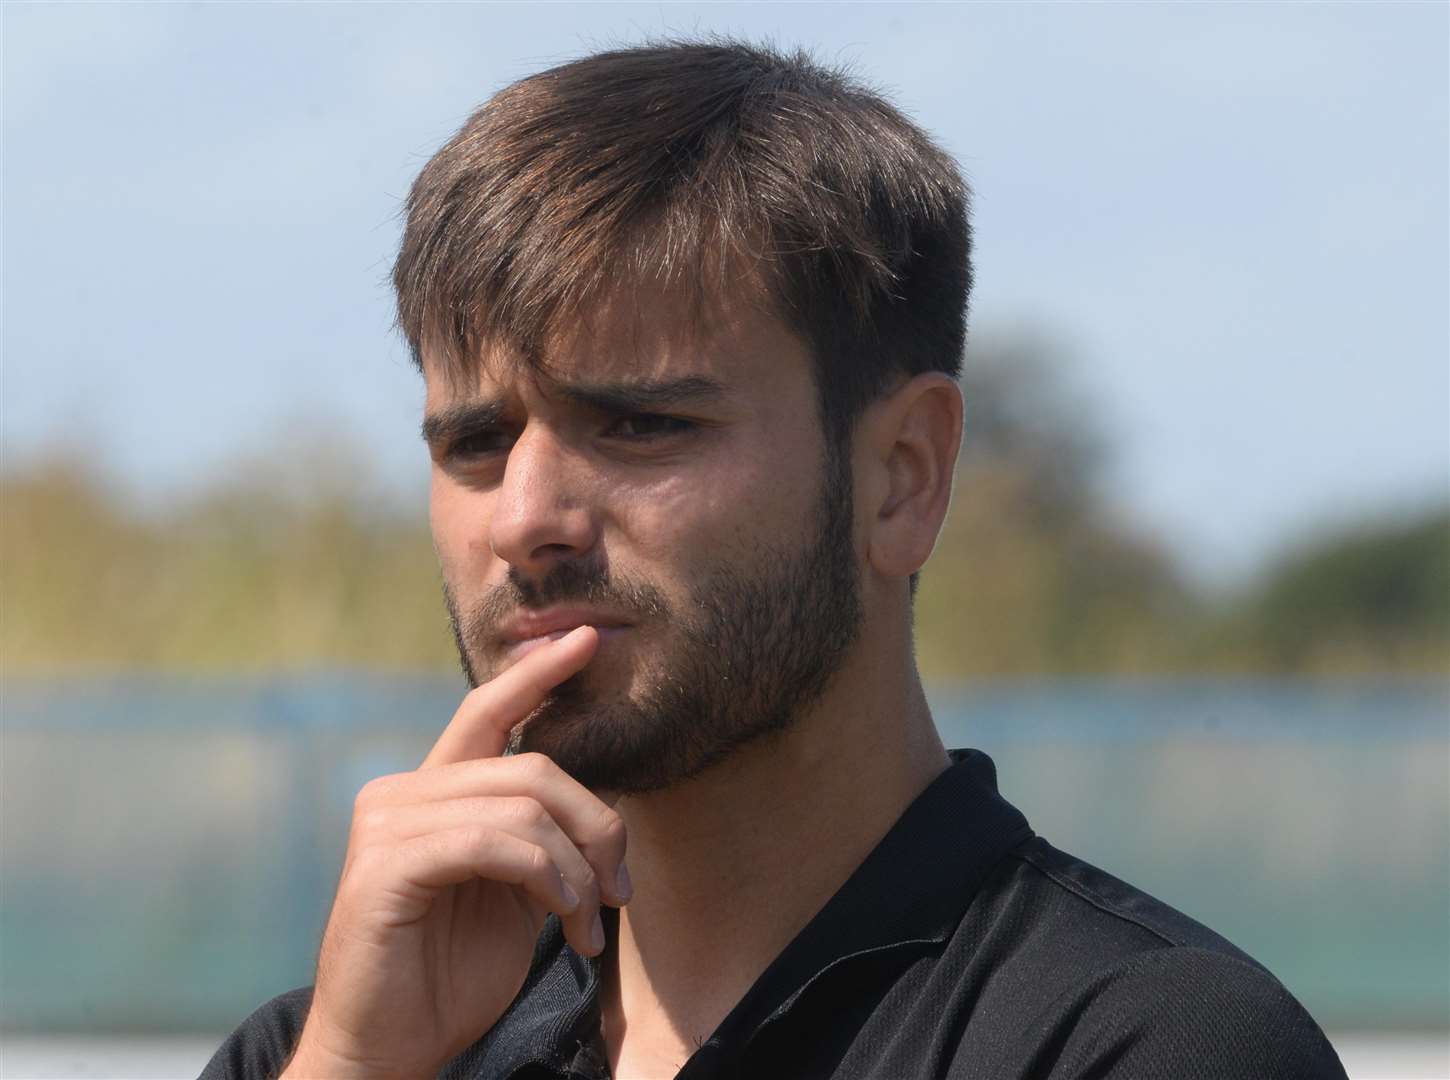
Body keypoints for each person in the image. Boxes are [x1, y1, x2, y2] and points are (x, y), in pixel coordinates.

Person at [203, 39, 1346, 1080]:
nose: (522, 519)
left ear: (902, 475)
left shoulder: (1141, 1047)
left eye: (641, 425)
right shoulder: (327, 1049)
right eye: (474, 443)